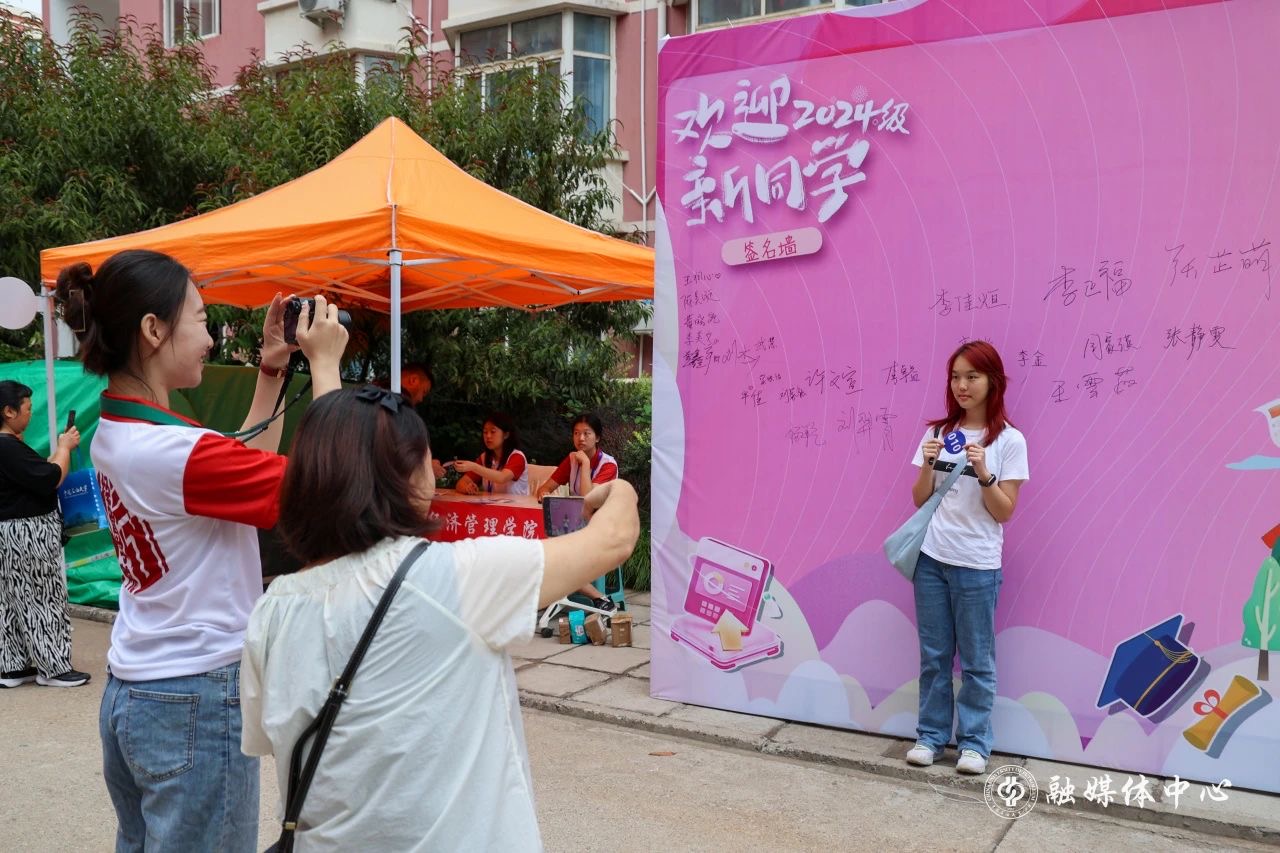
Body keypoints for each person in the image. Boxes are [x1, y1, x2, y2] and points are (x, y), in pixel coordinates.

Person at [240, 386, 639, 850]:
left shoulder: (270, 611)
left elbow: (271, 744)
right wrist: (620, 488)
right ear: (410, 479)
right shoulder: (455, 577)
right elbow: (614, 539)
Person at [53, 249, 348, 851]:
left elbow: (245, 465)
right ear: (153, 329)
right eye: (201, 319)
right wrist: (324, 364)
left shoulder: (123, 433)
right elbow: (329, 487)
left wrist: (271, 371)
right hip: (195, 695)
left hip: (138, 688)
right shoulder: (170, 453)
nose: (210, 340)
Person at [904, 340, 1029, 776]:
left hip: (977, 565)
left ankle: (974, 744)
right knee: (934, 656)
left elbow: (1004, 511)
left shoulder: (1009, 440)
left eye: (972, 376)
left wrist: (983, 473)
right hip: (931, 560)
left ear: (992, 382)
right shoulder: (937, 433)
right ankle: (931, 737)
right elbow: (920, 500)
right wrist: (928, 464)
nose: (962, 385)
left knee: (976, 661)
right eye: (956, 377)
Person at [0, 380, 89, 688]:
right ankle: (54, 667)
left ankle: (13, 666)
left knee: (10, 600)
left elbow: (37, 474)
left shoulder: (9, 447)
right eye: (26, 408)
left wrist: (59, 452)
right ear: (9, 411)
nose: (30, 414)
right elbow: (50, 478)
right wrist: (64, 448)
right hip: (29, 532)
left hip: (8, 532)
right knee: (42, 597)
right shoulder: (7, 446)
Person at [533, 414, 620, 611]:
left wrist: (586, 465)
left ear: (597, 438)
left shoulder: (608, 465)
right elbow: (545, 488)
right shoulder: (572, 460)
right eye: (576, 433)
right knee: (542, 547)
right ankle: (596, 597)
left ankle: (597, 597)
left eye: (587, 433)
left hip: (601, 527)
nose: (581, 438)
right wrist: (545, 493)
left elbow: (589, 498)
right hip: (574, 525)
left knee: (557, 555)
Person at [451, 412, 529, 496]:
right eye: (485, 432)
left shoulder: (517, 457)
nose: (488, 436)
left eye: (493, 432)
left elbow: (502, 478)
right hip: (491, 503)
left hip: (517, 504)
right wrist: (467, 488)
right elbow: (460, 483)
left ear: (506, 435)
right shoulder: (484, 457)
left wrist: (474, 467)